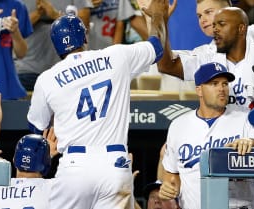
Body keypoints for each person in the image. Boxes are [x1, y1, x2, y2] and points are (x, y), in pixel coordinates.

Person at [26, 0, 167, 206]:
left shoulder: (47, 79)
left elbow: (35, 129)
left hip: (74, 166)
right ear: (84, 36)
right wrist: (157, 17)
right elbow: (157, 47)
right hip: (114, 165)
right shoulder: (116, 55)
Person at [158, 62, 254, 209]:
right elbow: (172, 172)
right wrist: (169, 187)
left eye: (225, 84)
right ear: (199, 90)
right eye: (214, 84)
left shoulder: (244, 120)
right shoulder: (178, 126)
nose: (222, 89)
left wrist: (253, 142)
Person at [16, 0, 94, 91]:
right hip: (27, 70)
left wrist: (55, 15)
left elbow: (85, 27)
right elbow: (12, 31)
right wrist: (38, 14)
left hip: (68, 70)